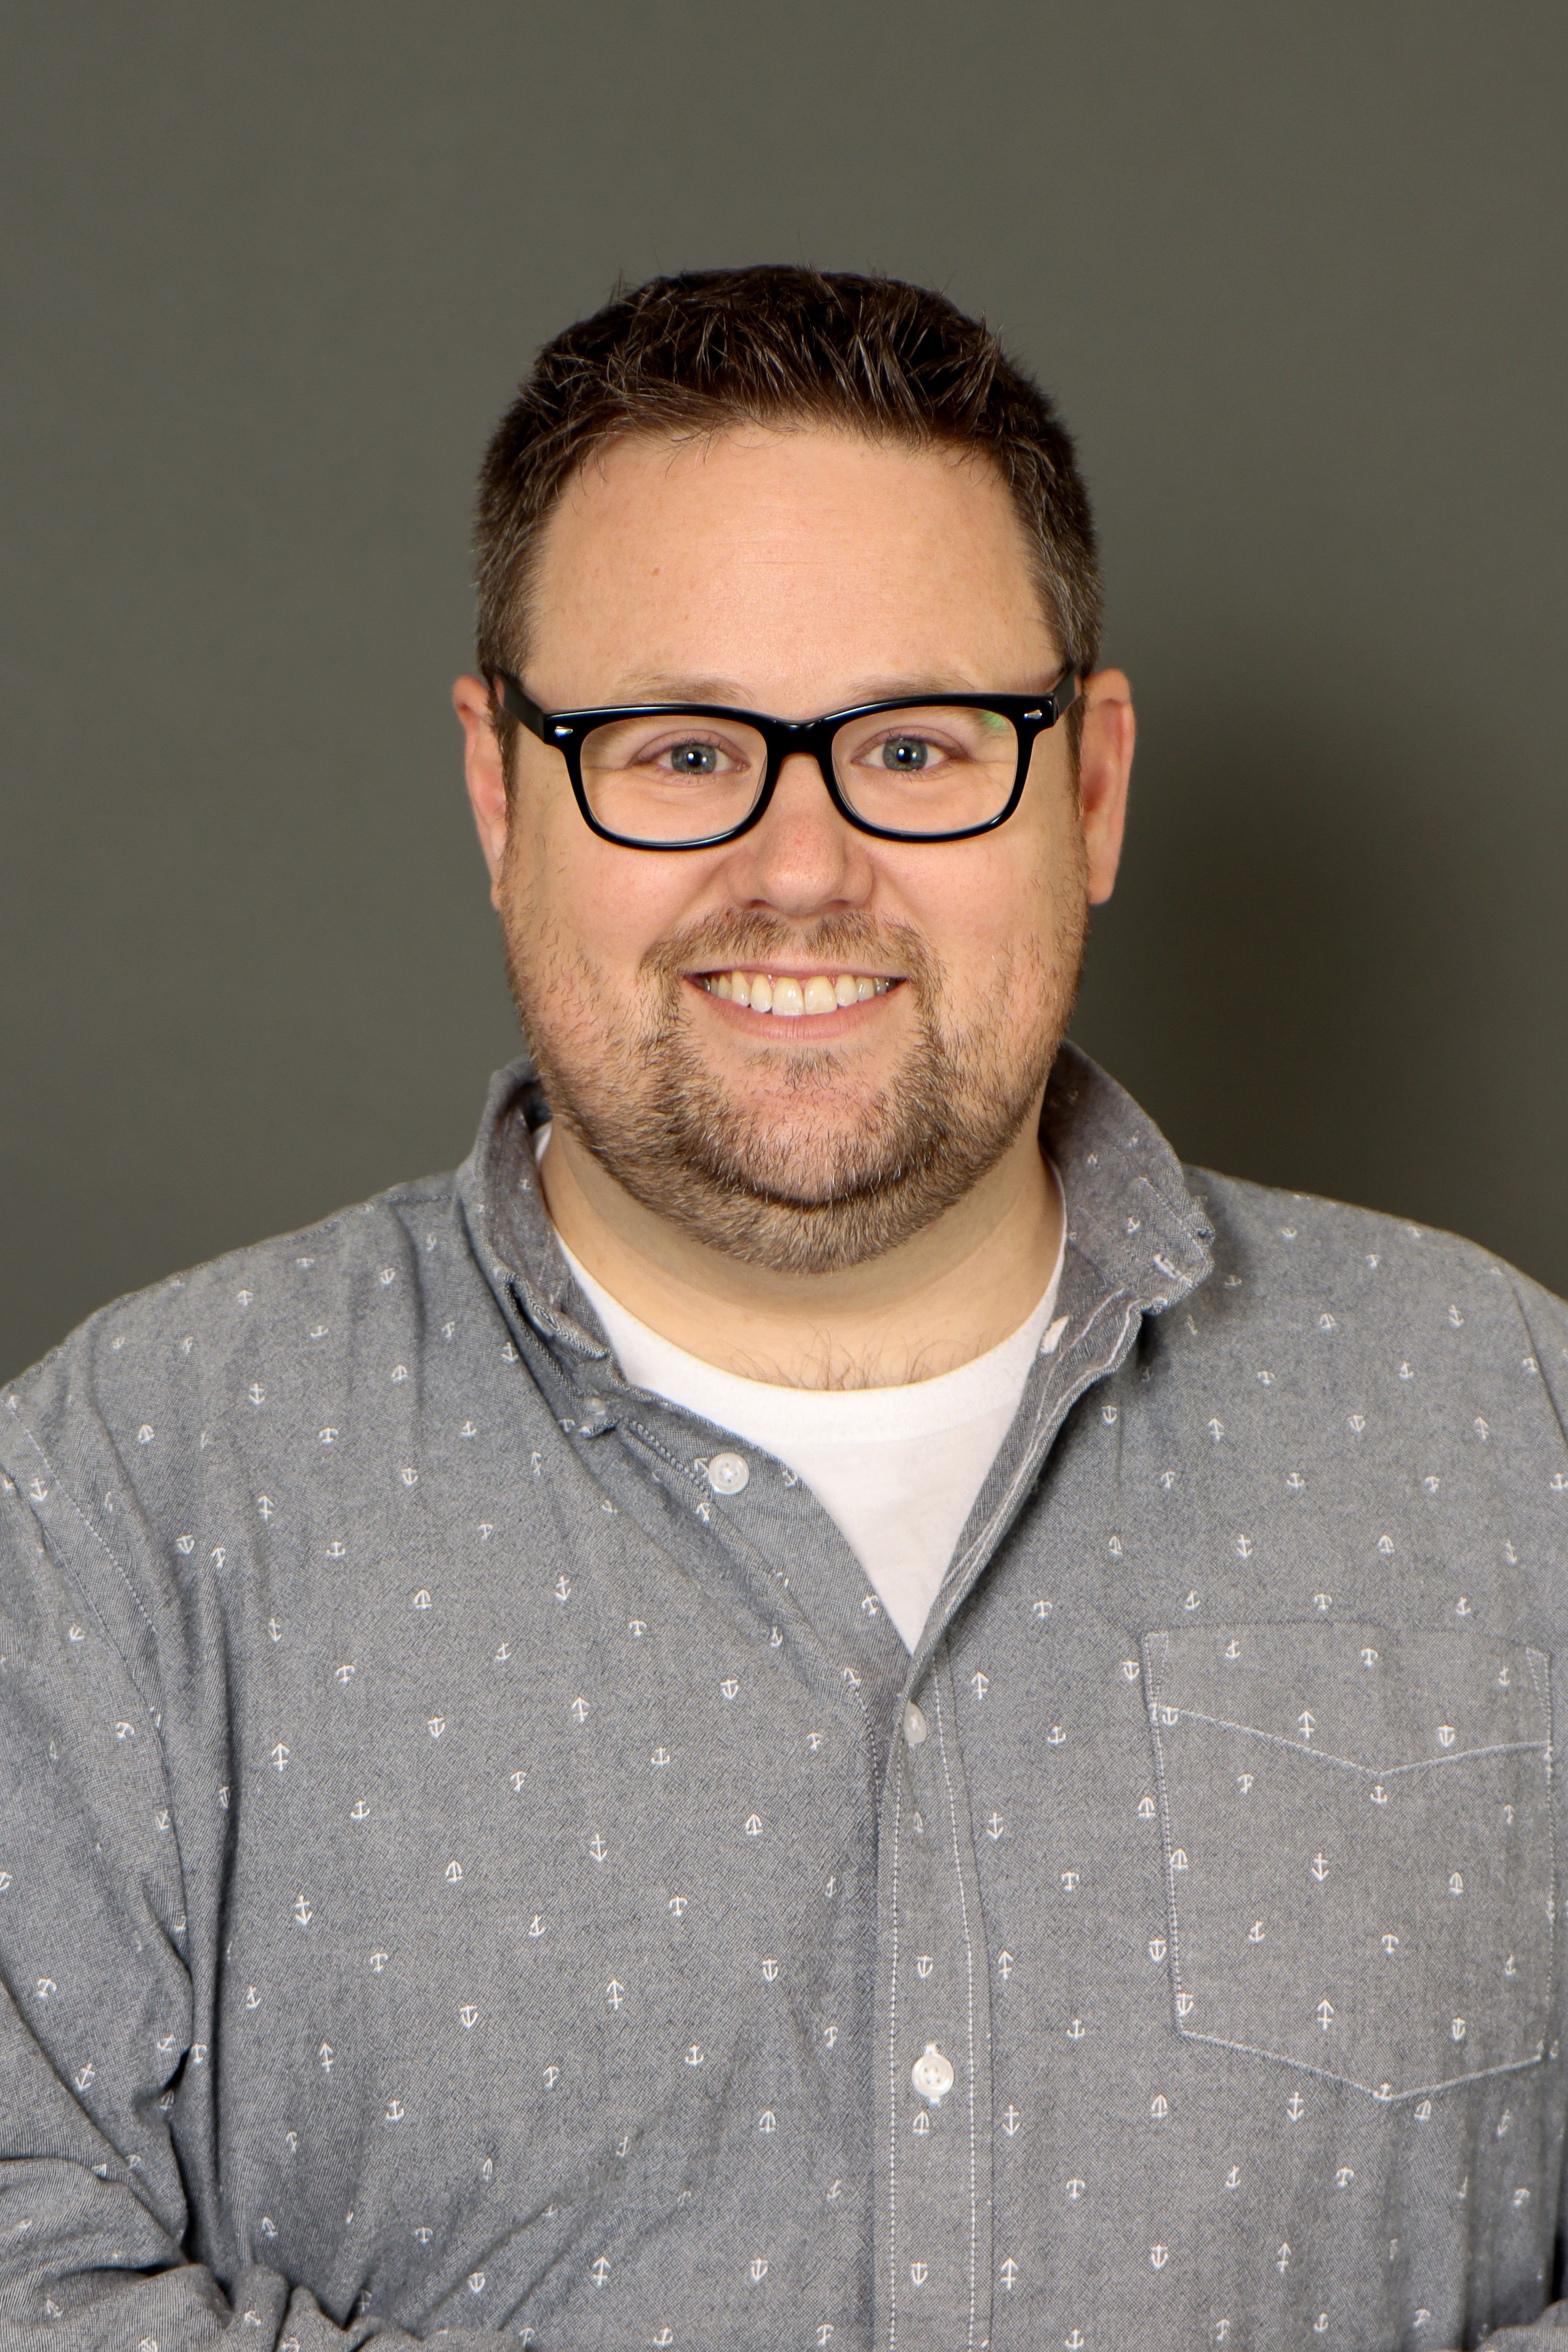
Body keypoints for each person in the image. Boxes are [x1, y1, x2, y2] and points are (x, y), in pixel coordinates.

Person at [2, 265, 1564, 2352]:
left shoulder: (1503, 1431)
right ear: (503, 793)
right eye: (678, 750)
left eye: (919, 747)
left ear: (1090, 789)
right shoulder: (121, 1503)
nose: (802, 864)